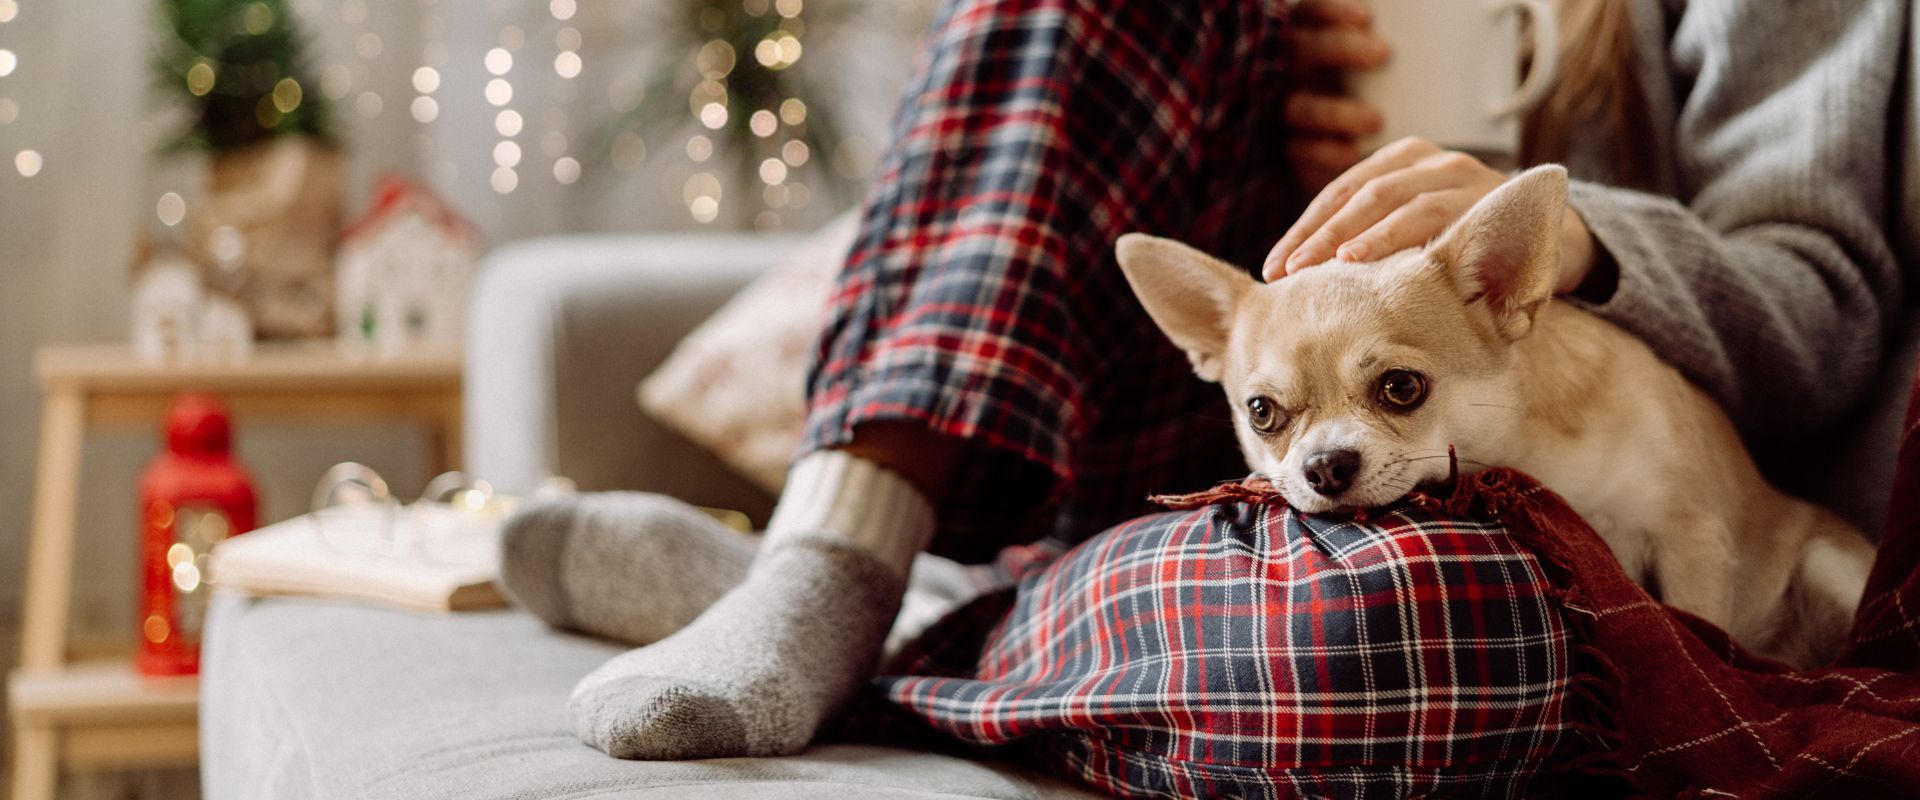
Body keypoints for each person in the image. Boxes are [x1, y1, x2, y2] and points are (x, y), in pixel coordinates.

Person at [512, 0, 1911, 793]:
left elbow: (1824, 307)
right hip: (1253, 366)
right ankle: (836, 556)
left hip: (1523, 433)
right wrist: (1276, 112)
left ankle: (907, 611)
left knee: (1397, 640)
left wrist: (1574, 234)